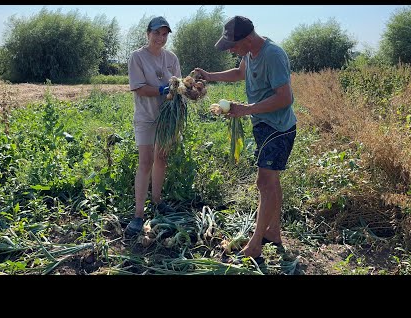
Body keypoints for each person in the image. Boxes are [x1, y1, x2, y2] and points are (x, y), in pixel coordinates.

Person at [194, 15, 297, 261]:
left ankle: (255, 244)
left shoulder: (273, 55)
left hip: (278, 128)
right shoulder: (249, 53)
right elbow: (240, 73)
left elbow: (285, 98)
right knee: (271, 182)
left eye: (232, 45)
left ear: (248, 38)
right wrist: (210, 76)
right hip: (264, 125)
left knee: (264, 183)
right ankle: (273, 232)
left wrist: (247, 109)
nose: (230, 49)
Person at [126, 16, 181, 237]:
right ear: (148, 33)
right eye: (157, 33)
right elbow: (139, 88)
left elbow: (178, 85)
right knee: (145, 161)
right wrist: (162, 90)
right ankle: (139, 215)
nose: (161, 37)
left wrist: (189, 89)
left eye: (165, 33)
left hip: (166, 118)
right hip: (146, 116)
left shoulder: (171, 58)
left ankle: (157, 202)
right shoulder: (137, 57)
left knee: (162, 158)